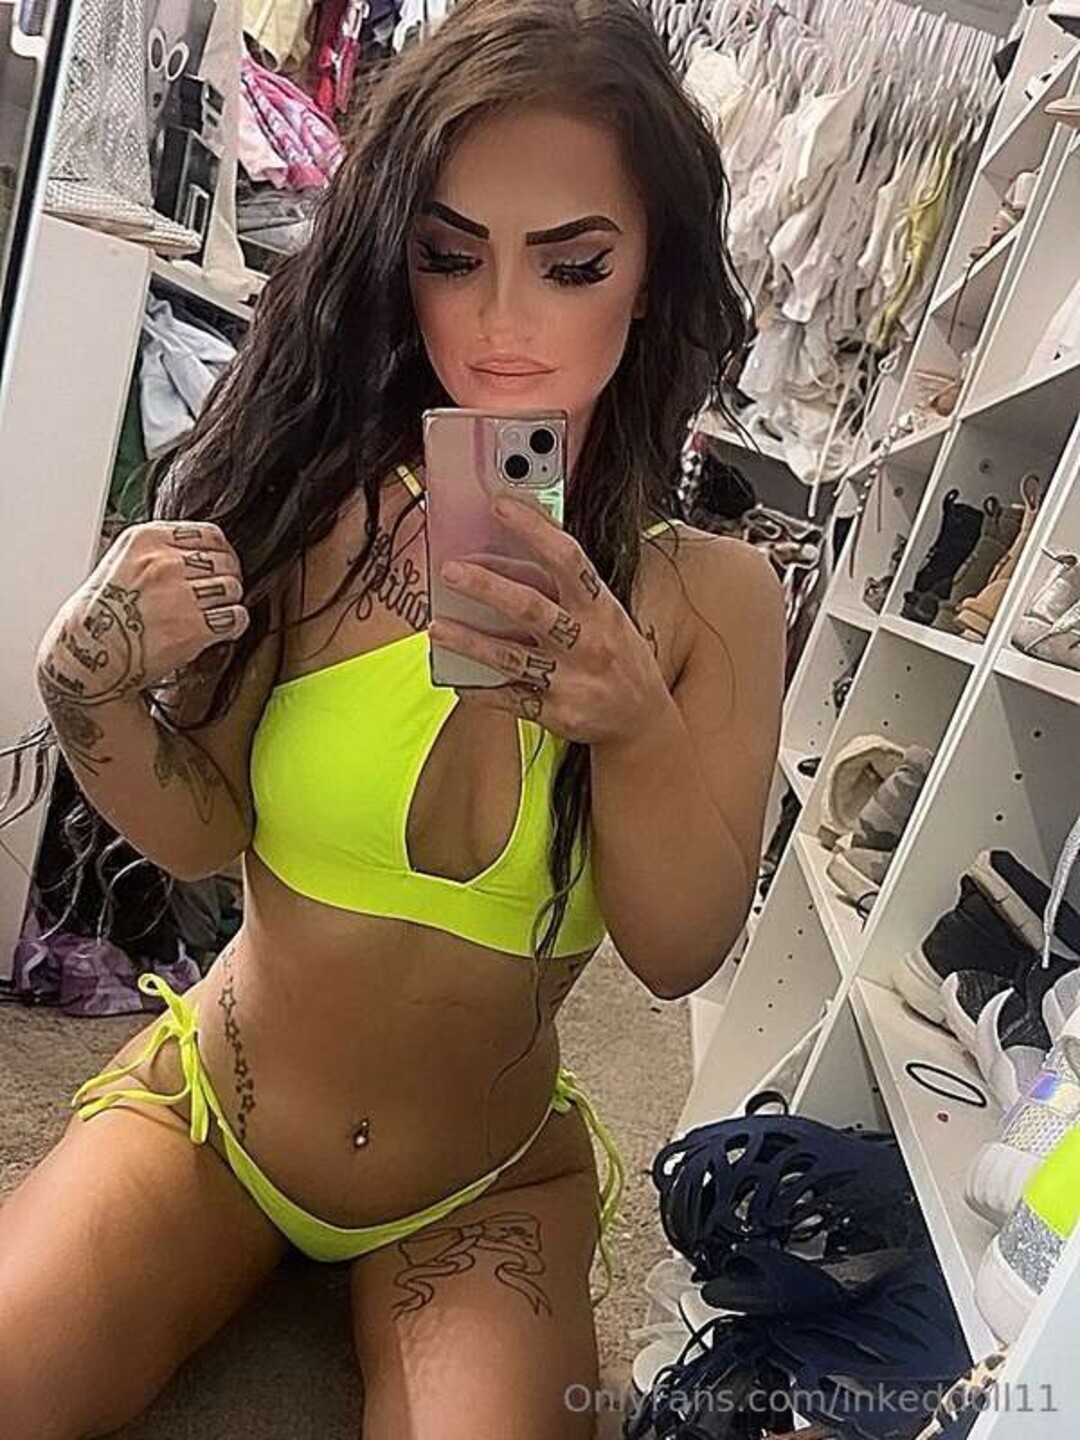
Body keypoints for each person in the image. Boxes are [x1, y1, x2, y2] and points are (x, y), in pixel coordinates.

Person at [0, 0, 785, 1435]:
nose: (501, 321)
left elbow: (678, 955)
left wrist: (632, 724)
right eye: (449, 256)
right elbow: (205, 831)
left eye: (573, 264)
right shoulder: (317, 510)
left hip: (478, 1184)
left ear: (650, 275)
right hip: (220, 1115)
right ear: (396, 263)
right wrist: (85, 689)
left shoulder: (714, 601)